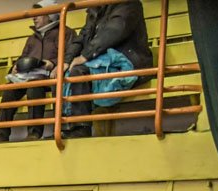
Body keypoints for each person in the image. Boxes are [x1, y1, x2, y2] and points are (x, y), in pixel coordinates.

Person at [60, 0, 152, 138]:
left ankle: (81, 128)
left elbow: (114, 31)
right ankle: (63, 126)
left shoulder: (129, 4)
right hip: (101, 59)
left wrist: (85, 56)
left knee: (78, 72)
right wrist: (65, 61)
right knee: (60, 74)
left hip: (128, 60)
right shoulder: (96, 9)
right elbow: (82, 36)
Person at [0, 2, 77, 142]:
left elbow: (70, 54)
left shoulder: (67, 32)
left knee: (34, 87)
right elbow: (22, 58)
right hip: (28, 75)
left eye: (38, 14)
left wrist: (52, 63)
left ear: (50, 15)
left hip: (48, 75)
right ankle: (0, 135)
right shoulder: (32, 38)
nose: (34, 18)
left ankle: (34, 133)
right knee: (9, 90)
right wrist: (14, 67)